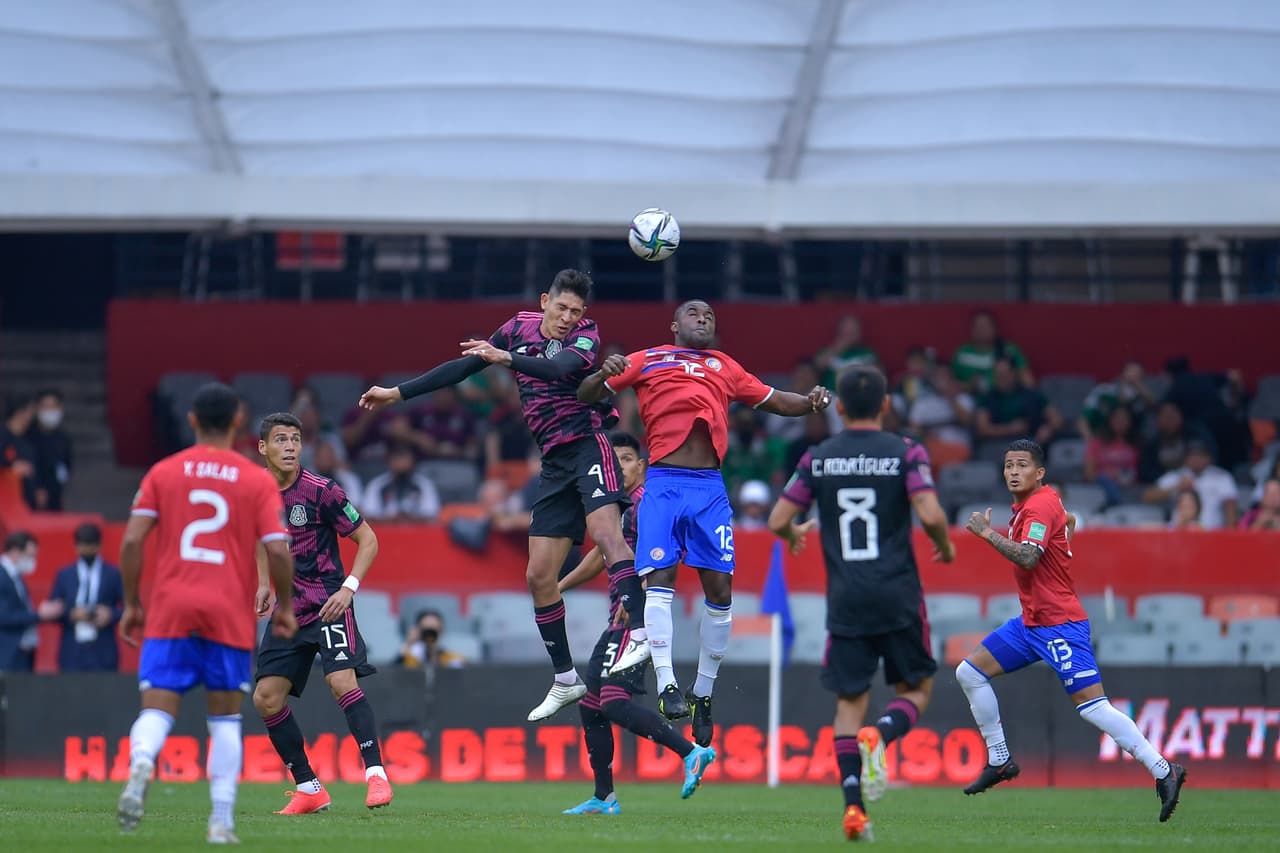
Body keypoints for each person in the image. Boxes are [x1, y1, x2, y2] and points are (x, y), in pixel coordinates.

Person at [358, 270, 646, 721]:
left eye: (576, 311)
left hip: (591, 443)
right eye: (562, 308)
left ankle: (643, 635)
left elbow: (560, 369)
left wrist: (505, 358)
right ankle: (565, 678)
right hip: (553, 464)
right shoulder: (516, 327)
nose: (569, 317)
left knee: (607, 535)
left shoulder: (586, 336)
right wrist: (398, 392)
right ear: (544, 300)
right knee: (537, 576)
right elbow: (465, 367)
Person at [577, 299, 832, 741]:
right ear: (674, 324)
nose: (703, 319)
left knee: (721, 589)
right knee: (659, 579)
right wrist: (602, 373)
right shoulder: (647, 358)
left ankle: (704, 693)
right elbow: (588, 394)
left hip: (709, 489)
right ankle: (667, 685)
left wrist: (810, 403)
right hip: (663, 485)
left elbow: (776, 401)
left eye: (709, 315)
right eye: (694, 314)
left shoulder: (724, 366)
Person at [767, 365, 956, 842]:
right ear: (887, 404)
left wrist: (794, 533)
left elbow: (777, 519)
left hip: (846, 598)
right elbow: (931, 513)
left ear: (842, 408)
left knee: (849, 705)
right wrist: (944, 544)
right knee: (916, 690)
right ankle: (884, 736)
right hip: (898, 594)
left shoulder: (818, 457)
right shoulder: (905, 451)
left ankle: (854, 810)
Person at [959, 439, 1186, 822]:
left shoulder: (1039, 504)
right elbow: (1056, 539)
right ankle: (1000, 760)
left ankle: (1164, 770)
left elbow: (1029, 557)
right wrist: (1065, 538)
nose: (1013, 471)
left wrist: (986, 533)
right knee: (969, 672)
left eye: (1022, 465)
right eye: (1008, 465)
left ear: (1039, 472)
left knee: (1093, 708)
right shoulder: (1037, 506)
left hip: (1059, 625)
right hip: (1031, 623)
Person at [115, 383, 297, 844]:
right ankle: (221, 821)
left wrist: (133, 603)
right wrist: (286, 605)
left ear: (192, 420)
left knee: (157, 709)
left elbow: (133, 540)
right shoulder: (254, 479)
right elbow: (278, 550)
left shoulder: (163, 472)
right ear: (237, 422)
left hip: (171, 606)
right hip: (226, 611)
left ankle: (141, 762)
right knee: (225, 719)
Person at [559, 431, 715, 815]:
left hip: (637, 617)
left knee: (611, 702)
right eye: (614, 461)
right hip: (620, 616)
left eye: (627, 459)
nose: (620, 467)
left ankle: (691, 752)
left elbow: (664, 552)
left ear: (641, 466)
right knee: (590, 703)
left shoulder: (648, 503)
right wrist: (557, 587)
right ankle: (604, 796)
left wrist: (639, 593)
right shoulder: (619, 508)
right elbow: (601, 554)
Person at [251, 412, 392, 814]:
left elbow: (368, 539)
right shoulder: (256, 494)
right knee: (266, 697)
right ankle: (309, 787)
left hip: (329, 603)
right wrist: (263, 583)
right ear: (263, 448)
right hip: (288, 611)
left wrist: (349, 589)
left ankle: (376, 775)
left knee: (341, 680)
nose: (291, 446)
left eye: (295, 439)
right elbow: (261, 541)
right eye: (281, 440)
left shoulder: (322, 491)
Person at [39, 523, 124, 672]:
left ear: (99, 546)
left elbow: (129, 608)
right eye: (83, 546)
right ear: (76, 546)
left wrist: (111, 614)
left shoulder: (113, 574)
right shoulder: (65, 575)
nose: (87, 550)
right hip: (72, 648)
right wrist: (72, 614)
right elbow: (53, 610)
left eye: (91, 546)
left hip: (103, 648)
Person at [1143, 439, 1239, 529]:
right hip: (1179, 532)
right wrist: (1177, 486)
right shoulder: (1177, 475)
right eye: (1192, 455)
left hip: (1210, 533)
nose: (1196, 459)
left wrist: (1228, 535)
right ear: (1185, 458)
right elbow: (1148, 496)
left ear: (1209, 458)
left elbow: (1230, 509)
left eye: (1200, 455)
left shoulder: (1221, 477)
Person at [951, 310, 1032, 393]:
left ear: (995, 328)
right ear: (971, 329)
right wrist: (969, 385)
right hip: (970, 400)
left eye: (986, 326)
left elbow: (1027, 380)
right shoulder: (962, 354)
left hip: (1005, 399)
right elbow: (951, 385)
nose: (982, 330)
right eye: (978, 326)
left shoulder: (1009, 350)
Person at [361, 442, 441, 521]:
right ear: (389, 461)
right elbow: (368, 516)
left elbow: (431, 516)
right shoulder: (377, 484)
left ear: (413, 461)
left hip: (416, 531)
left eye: (405, 459)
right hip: (384, 530)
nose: (401, 464)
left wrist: (408, 519)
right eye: (397, 459)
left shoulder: (424, 484)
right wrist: (392, 519)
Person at [0, 531, 40, 672]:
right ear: (16, 552)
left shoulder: (17, 576)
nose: (33, 561)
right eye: (30, 556)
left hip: (22, 653)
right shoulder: (2, 576)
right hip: (6, 654)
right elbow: (4, 616)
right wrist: (39, 615)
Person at [28, 388, 73, 511]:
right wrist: (37, 488)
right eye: (46, 407)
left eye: (53, 407)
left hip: (56, 496)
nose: (50, 411)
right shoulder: (28, 437)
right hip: (31, 498)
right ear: (37, 409)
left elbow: (66, 466)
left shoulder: (63, 438)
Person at [398, 609, 467, 669]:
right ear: (418, 631)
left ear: (442, 631)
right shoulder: (410, 658)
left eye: (434, 631)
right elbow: (394, 673)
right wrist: (408, 644)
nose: (430, 636)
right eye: (426, 631)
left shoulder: (452, 659)